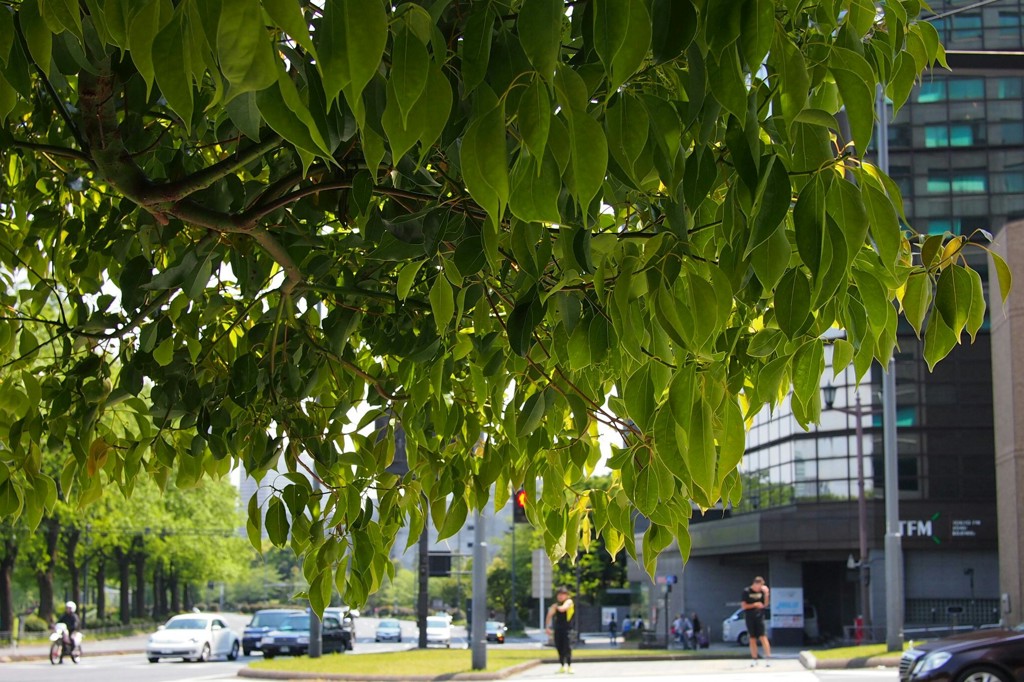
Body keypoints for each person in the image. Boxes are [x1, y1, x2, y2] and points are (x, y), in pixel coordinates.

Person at [741, 576, 772, 666]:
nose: (760, 588)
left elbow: (765, 604)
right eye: (759, 586)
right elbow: (744, 606)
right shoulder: (746, 591)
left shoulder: (762, 592)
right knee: (752, 638)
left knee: (763, 637)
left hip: (759, 616)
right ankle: (754, 659)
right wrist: (755, 604)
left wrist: (766, 594)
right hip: (749, 616)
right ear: (755, 584)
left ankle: (768, 658)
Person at [545, 586, 575, 674]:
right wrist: (547, 627)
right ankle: (562, 666)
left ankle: (569, 666)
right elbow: (549, 615)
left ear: (566, 595)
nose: (560, 596)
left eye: (562, 594)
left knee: (567, 647)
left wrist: (556, 607)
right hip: (558, 629)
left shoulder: (569, 602)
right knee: (559, 647)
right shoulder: (555, 605)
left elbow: (563, 608)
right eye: (559, 595)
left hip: (567, 629)